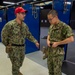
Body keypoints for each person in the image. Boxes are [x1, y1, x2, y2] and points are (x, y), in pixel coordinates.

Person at [1, 7, 39, 75]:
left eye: (24, 13)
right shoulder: (10, 25)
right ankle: (16, 72)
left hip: (22, 48)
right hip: (14, 49)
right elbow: (3, 35)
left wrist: (35, 41)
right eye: (22, 13)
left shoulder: (24, 26)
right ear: (17, 14)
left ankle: (17, 71)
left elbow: (28, 35)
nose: (24, 15)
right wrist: (8, 45)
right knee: (15, 66)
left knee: (20, 63)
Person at [47, 10, 74, 75]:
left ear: (56, 17)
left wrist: (58, 43)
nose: (49, 21)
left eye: (51, 19)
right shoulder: (51, 26)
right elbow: (49, 35)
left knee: (57, 72)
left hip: (58, 53)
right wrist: (48, 40)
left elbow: (71, 39)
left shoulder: (64, 27)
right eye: (48, 20)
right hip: (50, 52)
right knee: (50, 70)